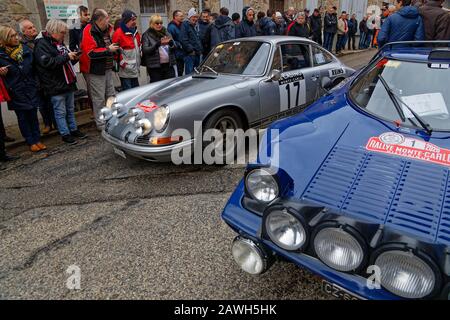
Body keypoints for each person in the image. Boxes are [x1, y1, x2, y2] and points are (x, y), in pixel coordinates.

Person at [34, 20, 86, 145]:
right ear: (53, 31)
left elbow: (64, 63)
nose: (64, 35)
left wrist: (73, 58)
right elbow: (48, 63)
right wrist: (67, 57)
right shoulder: (41, 45)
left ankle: (73, 130)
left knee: (70, 109)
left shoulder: (59, 42)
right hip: (54, 84)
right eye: (62, 33)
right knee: (60, 112)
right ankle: (65, 134)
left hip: (67, 82)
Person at [0, 26, 46, 152]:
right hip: (15, 90)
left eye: (16, 35)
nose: (16, 38)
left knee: (33, 115)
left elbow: (34, 69)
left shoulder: (25, 49)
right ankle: (30, 141)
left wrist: (36, 83)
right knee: (23, 118)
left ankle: (37, 139)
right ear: (5, 39)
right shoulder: (1, 55)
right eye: (12, 36)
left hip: (30, 87)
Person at [80, 8, 119, 129]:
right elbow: (90, 53)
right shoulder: (89, 30)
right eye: (107, 19)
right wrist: (108, 50)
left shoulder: (107, 29)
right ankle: (101, 124)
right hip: (95, 70)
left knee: (111, 95)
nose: (109, 22)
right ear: (100, 20)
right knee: (99, 98)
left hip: (107, 68)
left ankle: (112, 119)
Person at [18, 19, 56, 135]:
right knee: (41, 103)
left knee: (51, 101)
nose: (33, 29)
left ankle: (55, 123)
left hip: (46, 76)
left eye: (33, 26)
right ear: (23, 32)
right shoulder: (23, 45)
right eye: (29, 28)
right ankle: (47, 124)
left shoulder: (41, 41)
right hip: (34, 78)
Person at [112, 10, 141, 90]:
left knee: (136, 94)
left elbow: (138, 47)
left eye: (135, 19)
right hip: (126, 72)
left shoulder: (135, 32)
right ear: (126, 20)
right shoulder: (118, 33)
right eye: (132, 20)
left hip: (135, 70)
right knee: (128, 95)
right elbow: (115, 52)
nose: (134, 22)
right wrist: (124, 64)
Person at [142, 15, 176, 83]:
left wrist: (171, 44)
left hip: (168, 65)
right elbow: (145, 50)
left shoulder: (166, 32)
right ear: (152, 24)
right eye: (157, 23)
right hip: (155, 67)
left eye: (161, 23)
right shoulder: (146, 35)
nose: (159, 25)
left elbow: (174, 47)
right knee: (157, 87)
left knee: (170, 85)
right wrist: (157, 45)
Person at [180, 8, 202, 74]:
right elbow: (183, 39)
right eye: (194, 17)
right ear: (189, 17)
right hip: (190, 55)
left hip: (197, 54)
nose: (195, 19)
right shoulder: (185, 25)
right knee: (189, 75)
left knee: (196, 74)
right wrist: (191, 50)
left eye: (197, 17)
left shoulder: (195, 26)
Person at [167, 10, 185, 77]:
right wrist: (180, 45)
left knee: (181, 72)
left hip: (181, 54)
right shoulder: (171, 27)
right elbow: (171, 41)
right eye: (181, 16)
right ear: (175, 17)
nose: (182, 17)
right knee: (177, 74)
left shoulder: (181, 25)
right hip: (176, 55)